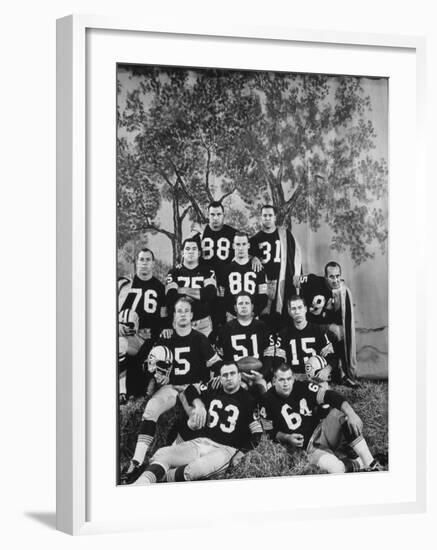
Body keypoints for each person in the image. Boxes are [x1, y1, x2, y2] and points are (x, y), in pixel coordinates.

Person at [122, 296, 222, 484]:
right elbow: (150, 363)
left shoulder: (200, 338)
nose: (183, 314)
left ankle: (169, 460)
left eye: (186, 311)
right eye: (179, 311)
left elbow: (216, 363)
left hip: (193, 388)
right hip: (171, 387)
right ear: (173, 315)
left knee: (197, 421)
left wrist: (218, 376)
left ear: (191, 315)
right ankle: (137, 461)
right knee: (151, 408)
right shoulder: (165, 336)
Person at [133, 362, 263, 484]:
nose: (229, 378)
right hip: (202, 442)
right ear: (220, 378)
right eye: (225, 375)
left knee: (196, 469)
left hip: (225, 449)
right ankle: (140, 485)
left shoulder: (249, 400)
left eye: (232, 374)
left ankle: (161, 479)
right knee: (163, 454)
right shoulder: (214, 387)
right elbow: (190, 389)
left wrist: (241, 453)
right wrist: (198, 404)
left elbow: (257, 433)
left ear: (239, 376)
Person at [260, 363, 382, 473]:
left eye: (288, 379)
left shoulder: (302, 386)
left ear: (293, 379)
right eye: (281, 380)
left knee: (342, 415)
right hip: (309, 448)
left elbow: (330, 396)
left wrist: (352, 414)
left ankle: (370, 463)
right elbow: (269, 432)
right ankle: (358, 463)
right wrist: (286, 437)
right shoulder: (266, 400)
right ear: (274, 380)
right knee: (336, 469)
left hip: (323, 431)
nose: (286, 383)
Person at [299, 261, 359, 387]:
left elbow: (339, 320)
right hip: (307, 324)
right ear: (325, 276)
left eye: (338, 276)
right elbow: (295, 280)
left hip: (322, 330)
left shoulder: (340, 292)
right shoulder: (313, 280)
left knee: (339, 332)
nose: (335, 280)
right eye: (331, 276)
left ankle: (342, 373)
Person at [118, 248, 167, 398]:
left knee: (140, 384)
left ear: (153, 263)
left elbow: (163, 317)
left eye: (147, 260)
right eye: (141, 259)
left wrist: (157, 337)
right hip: (129, 336)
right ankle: (120, 391)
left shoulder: (159, 287)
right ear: (136, 262)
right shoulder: (126, 285)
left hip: (149, 338)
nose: (144, 263)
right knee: (120, 344)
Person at [250, 204, 302, 327]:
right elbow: (248, 258)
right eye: (264, 216)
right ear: (261, 218)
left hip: (284, 282)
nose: (267, 218)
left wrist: (297, 273)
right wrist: (253, 257)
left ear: (275, 217)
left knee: (285, 318)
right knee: (266, 318)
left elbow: (296, 254)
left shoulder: (285, 235)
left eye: (270, 215)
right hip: (264, 284)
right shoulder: (255, 239)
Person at [264, 295, 335, 381]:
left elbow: (332, 357)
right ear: (289, 311)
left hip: (315, 378)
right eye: (293, 309)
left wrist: (326, 370)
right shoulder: (284, 334)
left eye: (300, 307)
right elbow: (279, 362)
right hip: (294, 379)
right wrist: (290, 376)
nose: (297, 311)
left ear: (305, 309)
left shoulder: (318, 330)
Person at [165, 238, 217, 337]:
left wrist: (184, 290)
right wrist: (199, 295)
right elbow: (171, 297)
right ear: (182, 252)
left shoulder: (207, 270)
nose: (191, 251)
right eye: (187, 248)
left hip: (203, 323)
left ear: (199, 253)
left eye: (194, 249)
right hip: (180, 322)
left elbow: (210, 294)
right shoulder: (174, 272)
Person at [217, 291, 271, 384]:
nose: (244, 306)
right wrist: (233, 374)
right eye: (240, 303)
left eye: (247, 303)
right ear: (235, 308)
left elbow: (268, 355)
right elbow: (222, 359)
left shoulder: (262, 327)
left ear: (252, 307)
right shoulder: (226, 329)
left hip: (259, 375)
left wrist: (262, 374)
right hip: (235, 378)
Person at [218, 231, 268, 320]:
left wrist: (253, 312)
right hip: (232, 316)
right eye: (238, 244)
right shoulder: (225, 270)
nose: (241, 248)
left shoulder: (258, 268)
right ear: (233, 246)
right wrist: (232, 312)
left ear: (248, 245)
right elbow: (221, 298)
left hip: (253, 316)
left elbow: (263, 297)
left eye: (244, 244)